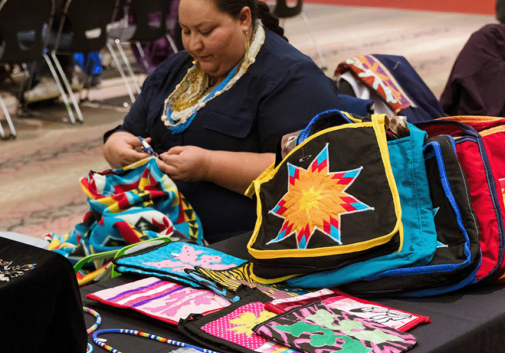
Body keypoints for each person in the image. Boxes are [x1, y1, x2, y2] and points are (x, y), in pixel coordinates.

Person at [102, 0, 341, 243]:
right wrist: (115, 145)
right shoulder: (176, 70)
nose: (194, 44)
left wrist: (208, 166)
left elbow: (307, 172)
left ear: (244, 19)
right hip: (152, 228)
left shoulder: (292, 79)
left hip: (250, 243)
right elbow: (128, 131)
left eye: (206, 31)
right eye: (185, 31)